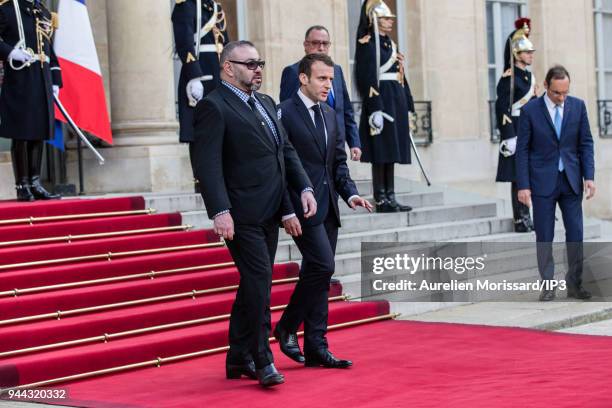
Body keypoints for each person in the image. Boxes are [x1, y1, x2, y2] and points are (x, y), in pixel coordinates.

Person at [192, 40, 316, 387]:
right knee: (260, 282)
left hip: (271, 211)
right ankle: (262, 358)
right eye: (249, 64)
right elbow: (207, 164)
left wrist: (301, 191)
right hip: (240, 215)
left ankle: (236, 357)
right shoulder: (213, 106)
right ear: (228, 67)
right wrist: (219, 210)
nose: (257, 68)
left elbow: (284, 153)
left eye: (259, 62)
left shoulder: (265, 102)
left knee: (253, 283)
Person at [275, 53, 373, 369]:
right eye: (321, 78)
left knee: (320, 274)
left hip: (329, 205)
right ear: (303, 78)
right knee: (322, 265)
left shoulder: (330, 114)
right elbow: (279, 166)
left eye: (330, 79)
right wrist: (286, 209)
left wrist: (351, 194)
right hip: (302, 206)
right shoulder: (284, 113)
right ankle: (287, 326)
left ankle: (317, 346)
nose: (327, 84)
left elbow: (337, 164)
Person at [516, 65, 595, 301]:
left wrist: (589, 177)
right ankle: (548, 285)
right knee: (544, 235)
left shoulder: (578, 106)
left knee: (576, 233)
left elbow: (586, 144)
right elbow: (522, 150)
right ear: (546, 87)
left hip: (571, 181)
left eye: (565, 93)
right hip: (541, 183)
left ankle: (575, 284)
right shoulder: (531, 110)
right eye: (557, 93)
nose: (562, 98)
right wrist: (523, 185)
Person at [354, 0, 415, 213]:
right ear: (374, 20)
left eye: (390, 19)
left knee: (392, 151)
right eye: (386, 18)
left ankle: (391, 196)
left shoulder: (390, 43)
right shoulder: (367, 43)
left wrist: (408, 104)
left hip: (395, 101)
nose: (390, 22)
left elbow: (401, 76)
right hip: (381, 101)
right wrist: (375, 107)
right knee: (381, 152)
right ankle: (380, 198)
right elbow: (366, 77)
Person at [0, 0, 63, 201]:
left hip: (41, 75)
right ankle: (22, 185)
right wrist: (10, 52)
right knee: (22, 131)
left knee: (39, 130)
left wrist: (55, 79)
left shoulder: (42, 12)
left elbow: (49, 50)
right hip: (20, 75)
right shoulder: (6, 8)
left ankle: (35, 182)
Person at [279, 25, 362, 161]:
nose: (321, 48)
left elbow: (345, 109)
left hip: (337, 146)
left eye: (325, 43)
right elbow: (288, 115)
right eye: (316, 43)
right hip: (309, 151)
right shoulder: (293, 72)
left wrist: (354, 142)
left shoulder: (337, 70)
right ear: (305, 45)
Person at [171, 0, 228, 186]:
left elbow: (224, 44)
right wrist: (194, 75)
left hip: (219, 73)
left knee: (223, 126)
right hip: (200, 72)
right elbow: (184, 42)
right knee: (200, 129)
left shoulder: (215, 8)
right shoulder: (186, 5)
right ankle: (201, 179)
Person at [495, 18, 536, 233]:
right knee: (517, 176)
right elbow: (502, 108)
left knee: (529, 174)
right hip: (516, 128)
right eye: (527, 52)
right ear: (517, 54)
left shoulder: (530, 76)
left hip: (529, 128)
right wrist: (508, 135)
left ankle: (528, 214)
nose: (531, 55)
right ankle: (520, 219)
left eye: (531, 52)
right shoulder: (509, 78)